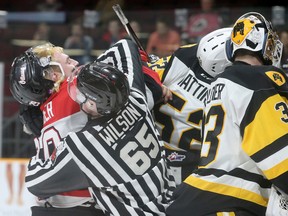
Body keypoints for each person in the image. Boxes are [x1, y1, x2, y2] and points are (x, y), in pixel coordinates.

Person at [24, 39, 176, 215]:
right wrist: (148, 76)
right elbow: (125, 47)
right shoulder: (136, 98)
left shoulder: (86, 145)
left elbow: (36, 184)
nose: (76, 63)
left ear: (89, 104)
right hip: (166, 203)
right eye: (69, 61)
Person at [166, 12, 286, 216]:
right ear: (266, 44)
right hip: (229, 203)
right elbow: (281, 162)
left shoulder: (218, 85)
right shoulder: (256, 83)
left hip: (196, 198)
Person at [9, 43, 102, 216]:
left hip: (45, 208)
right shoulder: (74, 90)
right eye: (68, 61)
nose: (75, 63)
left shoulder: (42, 113)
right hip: (82, 206)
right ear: (54, 74)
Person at [148, 27, 232, 185]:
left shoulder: (178, 62)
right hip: (198, 169)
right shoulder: (231, 90)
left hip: (153, 153)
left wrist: (150, 79)